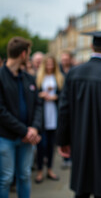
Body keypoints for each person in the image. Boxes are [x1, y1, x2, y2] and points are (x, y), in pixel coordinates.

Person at [56, 31, 101, 198]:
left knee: (82, 188)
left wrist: (62, 140)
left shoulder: (73, 73)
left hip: (79, 140)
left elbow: (64, 109)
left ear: (90, 46)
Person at [0, 37, 42, 198]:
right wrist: (25, 131)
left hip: (27, 138)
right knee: (5, 179)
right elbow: (1, 111)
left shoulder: (28, 78)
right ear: (23, 54)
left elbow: (38, 105)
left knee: (24, 176)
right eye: (29, 54)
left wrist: (35, 128)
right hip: (6, 137)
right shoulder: (1, 77)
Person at [34, 54, 64, 183]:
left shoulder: (59, 78)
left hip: (54, 114)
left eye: (52, 64)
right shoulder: (38, 78)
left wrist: (55, 97)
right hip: (42, 115)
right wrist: (41, 95)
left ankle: (50, 169)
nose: (50, 66)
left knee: (51, 144)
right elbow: (34, 95)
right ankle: (40, 170)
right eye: (48, 64)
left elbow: (63, 95)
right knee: (42, 144)